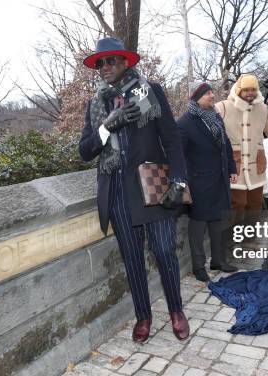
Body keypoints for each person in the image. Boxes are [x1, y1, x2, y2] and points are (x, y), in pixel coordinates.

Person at [78, 37, 189, 342]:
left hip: (152, 184)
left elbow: (172, 137)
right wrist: (107, 126)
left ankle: (176, 310)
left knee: (165, 251)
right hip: (117, 192)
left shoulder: (148, 90)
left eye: (111, 60)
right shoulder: (97, 103)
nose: (104, 68)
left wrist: (180, 179)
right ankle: (143, 316)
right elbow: (85, 151)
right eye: (100, 63)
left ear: (125, 62)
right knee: (132, 257)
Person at [215, 74, 268, 247]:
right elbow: (207, 129)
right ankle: (229, 238)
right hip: (233, 166)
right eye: (246, 90)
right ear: (238, 90)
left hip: (256, 166)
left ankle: (250, 238)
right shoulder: (222, 107)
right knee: (237, 203)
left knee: (255, 204)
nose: (250, 93)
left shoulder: (264, 110)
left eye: (253, 89)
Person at [177, 82, 239, 282]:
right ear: (196, 97)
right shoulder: (185, 122)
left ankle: (218, 260)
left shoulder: (215, 117)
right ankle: (198, 266)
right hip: (198, 181)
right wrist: (184, 179)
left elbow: (225, 144)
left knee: (219, 220)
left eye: (212, 92)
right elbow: (178, 154)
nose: (212, 96)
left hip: (220, 178)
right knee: (198, 224)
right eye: (207, 93)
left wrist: (231, 168)